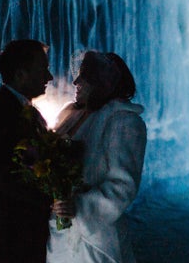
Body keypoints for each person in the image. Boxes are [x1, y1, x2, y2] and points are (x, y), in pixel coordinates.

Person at [47, 51, 147, 263]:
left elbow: (123, 186)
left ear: (101, 82)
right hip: (58, 231)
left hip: (94, 236)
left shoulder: (123, 122)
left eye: (84, 76)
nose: (76, 81)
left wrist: (81, 207)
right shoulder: (70, 114)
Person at [0, 39, 54, 263]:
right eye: (42, 70)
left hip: (22, 239)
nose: (49, 77)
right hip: (8, 242)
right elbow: (3, 178)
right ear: (20, 75)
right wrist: (53, 199)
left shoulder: (27, 113)